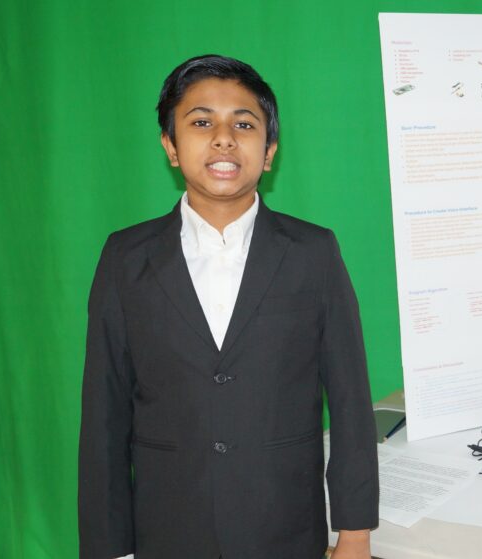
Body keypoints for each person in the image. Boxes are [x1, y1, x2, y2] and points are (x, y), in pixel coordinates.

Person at [78, 54, 379, 559]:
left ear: (269, 151)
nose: (223, 138)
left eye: (243, 123)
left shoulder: (313, 252)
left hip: (284, 526)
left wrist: (354, 534)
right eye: (201, 123)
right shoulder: (124, 257)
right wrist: (109, 547)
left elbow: (350, 402)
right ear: (171, 147)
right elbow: (104, 414)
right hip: (167, 528)